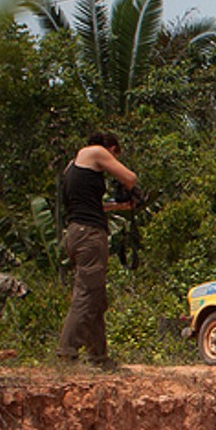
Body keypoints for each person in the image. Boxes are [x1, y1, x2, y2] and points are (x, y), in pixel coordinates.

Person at [55, 131, 139, 367]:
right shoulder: (95, 151)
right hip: (90, 235)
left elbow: (92, 205)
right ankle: (66, 353)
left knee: (96, 296)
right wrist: (127, 186)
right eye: (114, 155)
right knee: (85, 294)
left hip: (76, 232)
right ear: (110, 148)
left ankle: (98, 357)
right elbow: (130, 177)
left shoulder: (73, 165)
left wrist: (118, 205)